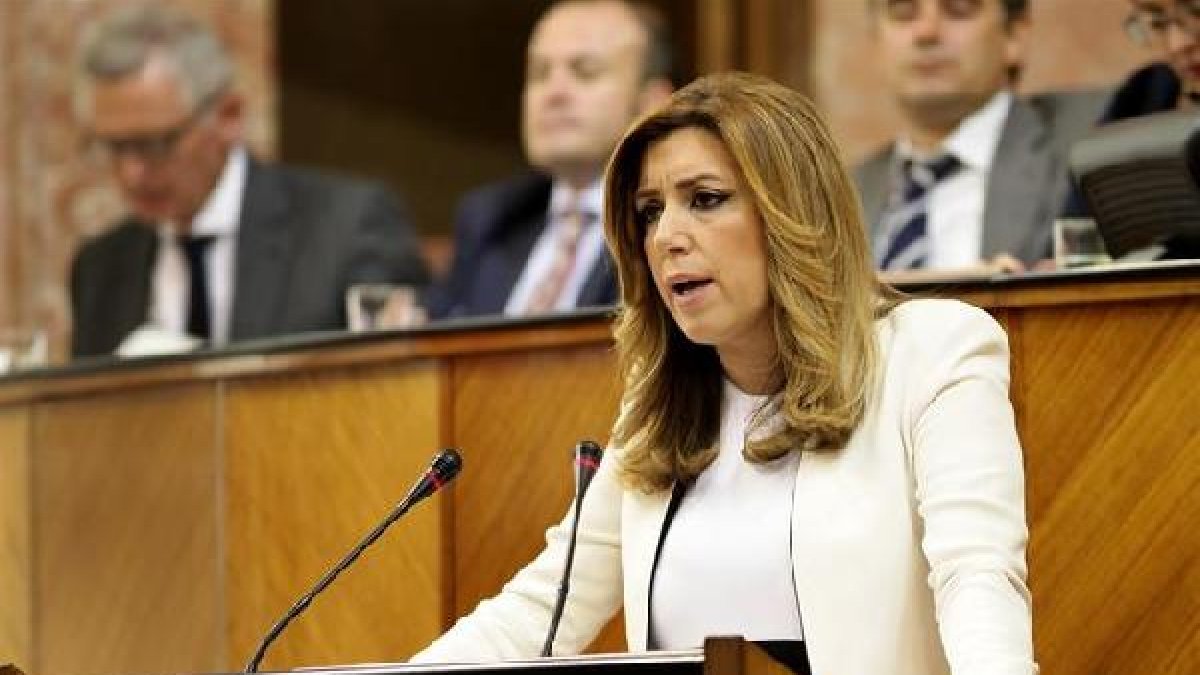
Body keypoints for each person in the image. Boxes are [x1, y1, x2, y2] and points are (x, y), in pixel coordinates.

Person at [412, 72, 1035, 675]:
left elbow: (977, 579)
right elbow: (539, 611)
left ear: (793, 214)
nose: (666, 237)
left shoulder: (933, 354)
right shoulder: (656, 417)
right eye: (651, 211)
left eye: (705, 201)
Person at [69, 4, 429, 358]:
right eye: (115, 147)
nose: (132, 173)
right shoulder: (101, 267)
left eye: (156, 144)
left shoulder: (346, 228)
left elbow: (393, 393)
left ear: (229, 117)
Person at [423, 0, 673, 319]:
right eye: (540, 73)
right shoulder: (491, 218)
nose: (554, 92)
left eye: (585, 72)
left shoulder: (665, 223)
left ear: (651, 103)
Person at [854, 0, 1106, 274]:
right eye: (903, 12)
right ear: (875, 41)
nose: (926, 32)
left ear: (1014, 34)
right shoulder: (841, 190)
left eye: (958, 9)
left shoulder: (1091, 147)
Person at [1062, 1, 1200, 224]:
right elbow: (1078, 231)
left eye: (1196, 14)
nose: (1176, 44)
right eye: (1158, 22)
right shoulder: (1143, 96)